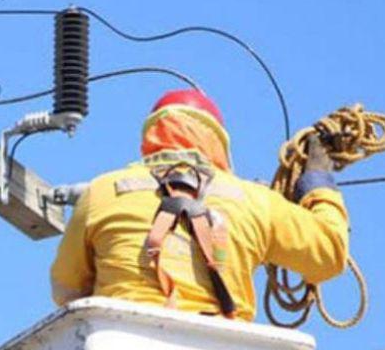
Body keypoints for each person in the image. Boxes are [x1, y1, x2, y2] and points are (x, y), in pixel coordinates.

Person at [49, 89, 349, 321]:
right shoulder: (255, 202)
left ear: (151, 136)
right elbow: (330, 252)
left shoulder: (102, 192)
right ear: (218, 142)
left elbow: (67, 289)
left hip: (120, 349)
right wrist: (317, 181)